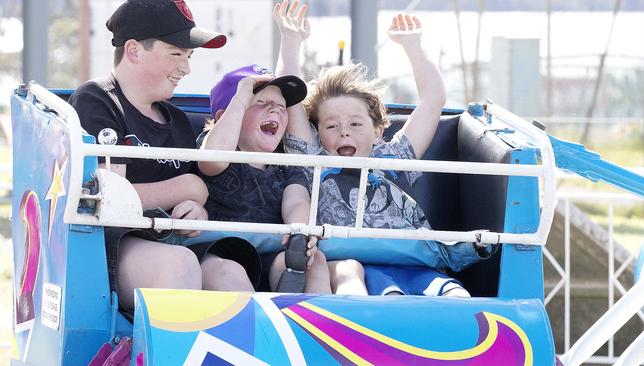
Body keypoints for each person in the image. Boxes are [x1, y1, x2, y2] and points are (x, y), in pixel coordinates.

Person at [274, 1, 494, 296]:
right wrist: (291, 41)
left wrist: (413, 46)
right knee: (384, 296)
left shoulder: (393, 158)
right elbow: (290, 99)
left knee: (457, 297)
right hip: (361, 267)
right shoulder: (314, 159)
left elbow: (433, 100)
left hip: (415, 263)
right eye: (331, 126)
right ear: (317, 133)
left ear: (378, 131)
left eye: (355, 124)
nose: (343, 133)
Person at [68, 0, 259, 313]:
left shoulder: (178, 120)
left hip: (173, 239)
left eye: (188, 56)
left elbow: (192, 202)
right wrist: (187, 188)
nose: (186, 68)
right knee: (180, 266)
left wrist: (195, 210)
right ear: (134, 51)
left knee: (230, 275)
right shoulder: (99, 100)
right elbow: (109, 198)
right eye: (176, 53)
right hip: (114, 245)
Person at [198, 64, 331, 294]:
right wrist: (241, 96)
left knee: (315, 263)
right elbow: (213, 160)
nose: (276, 110)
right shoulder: (214, 147)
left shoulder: (286, 162)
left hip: (270, 254)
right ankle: (258, 328)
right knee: (228, 272)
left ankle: (318, 328)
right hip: (218, 252)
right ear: (225, 116)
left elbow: (297, 200)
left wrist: (299, 230)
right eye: (260, 102)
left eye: (281, 106)